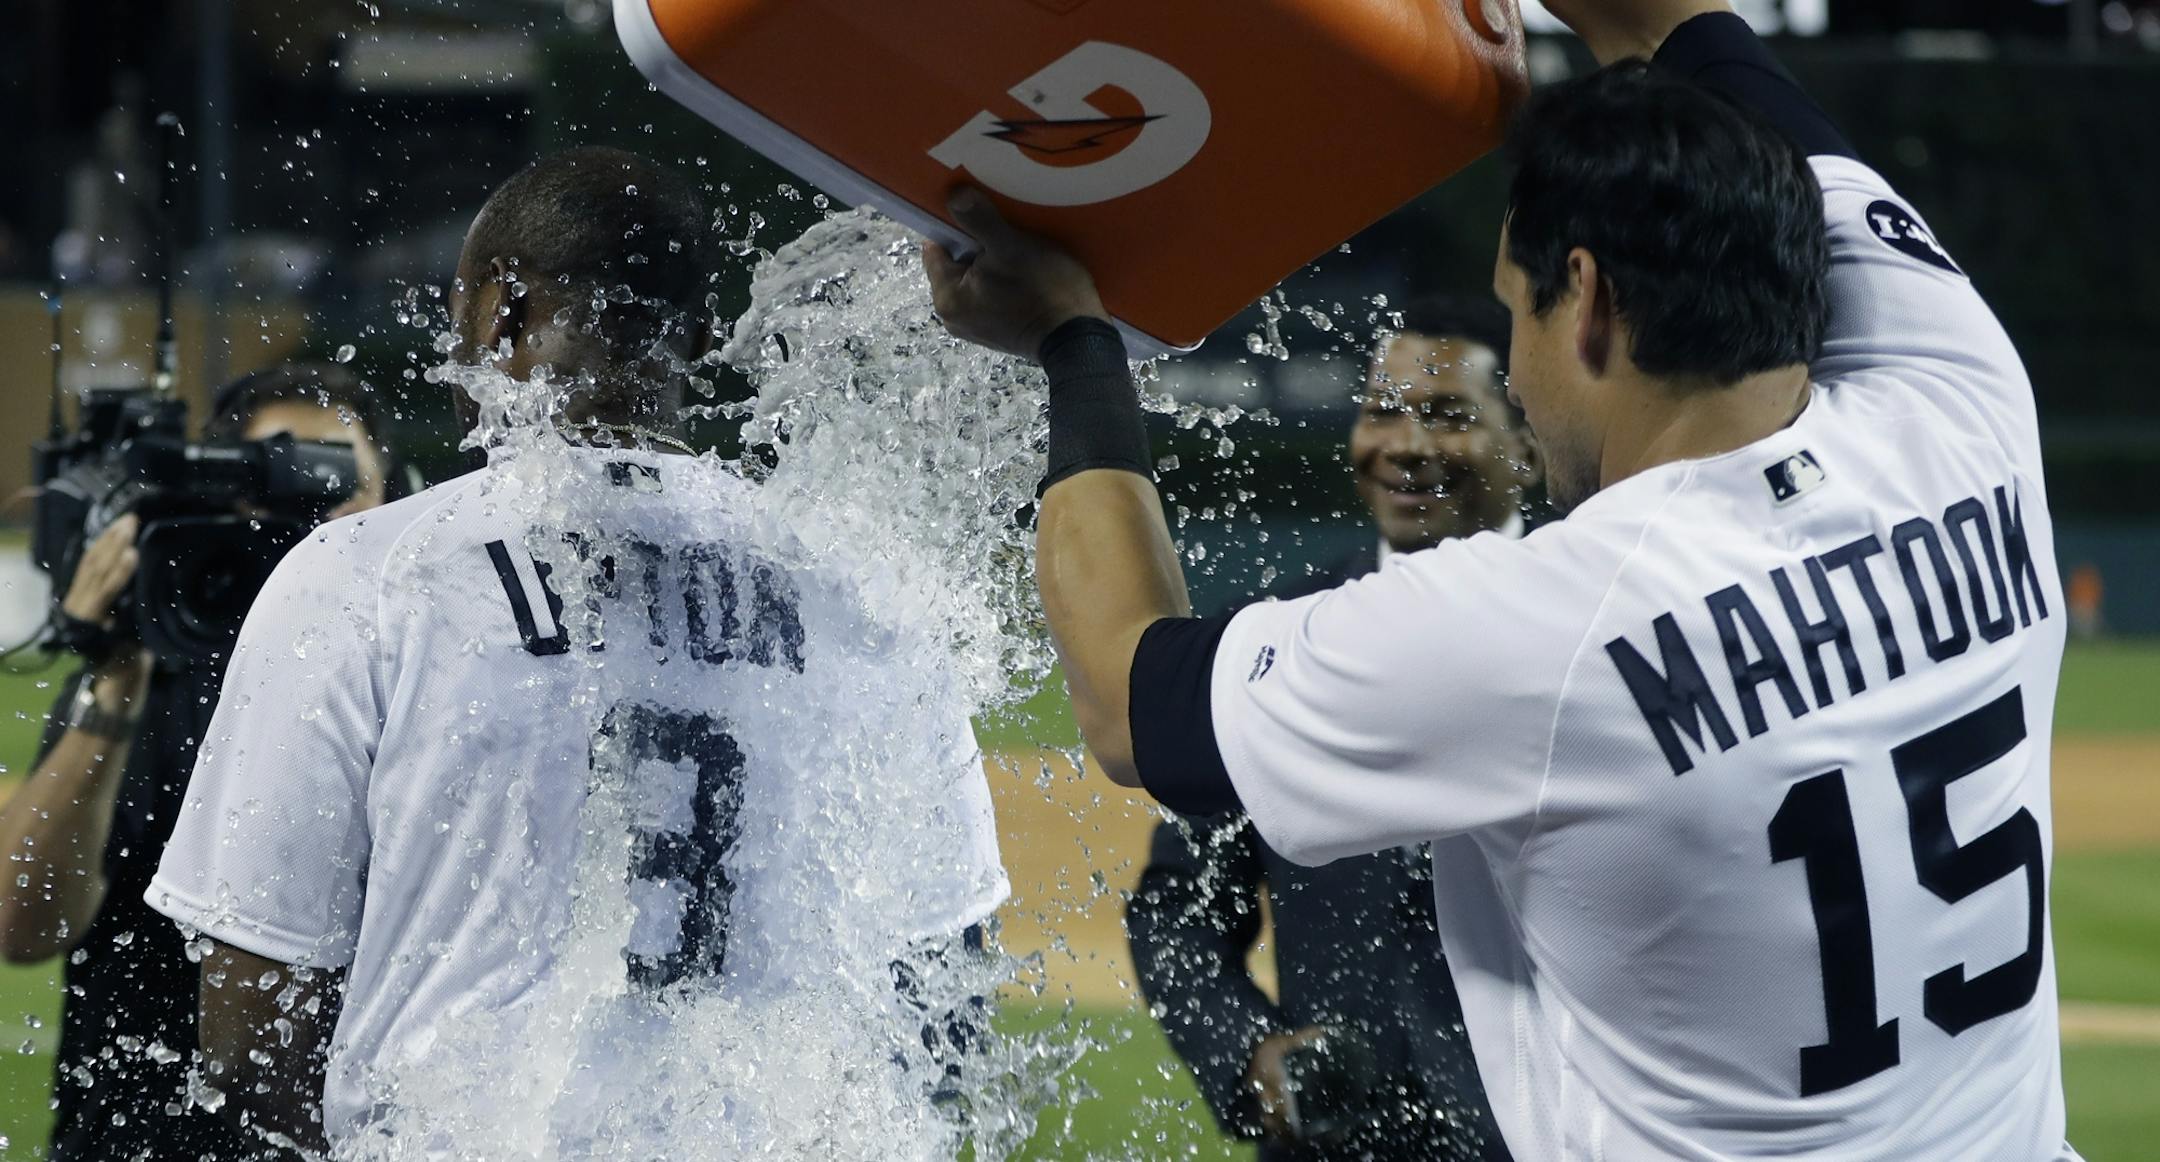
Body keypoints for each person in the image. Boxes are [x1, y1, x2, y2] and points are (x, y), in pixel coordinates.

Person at [926, 1, 2077, 1157]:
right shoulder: (1961, 392)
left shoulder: (1539, 624)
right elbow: (1692, 29)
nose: (1518, 369)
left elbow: (1129, 696)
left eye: (1516, 308)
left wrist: (1072, 339)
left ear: (1589, 298)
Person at [146, 147, 1009, 1155]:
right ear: (694, 336)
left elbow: (253, 1024)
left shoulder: (367, 576)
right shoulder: (860, 588)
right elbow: (946, 993)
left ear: (498, 314)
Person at [1124, 297, 1523, 1161]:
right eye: (1382, 411)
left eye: (1448, 416)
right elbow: (1178, 913)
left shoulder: (1600, 618)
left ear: (1524, 446)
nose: (1406, 444)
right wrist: (1252, 1056)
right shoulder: (1275, 639)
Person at [0, 362, 391, 1161]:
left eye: (339, 480)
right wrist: (113, 681)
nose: (316, 517)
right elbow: (23, 923)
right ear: (230, 498)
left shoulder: (436, 682)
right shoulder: (165, 657)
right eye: (282, 479)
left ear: (392, 494)